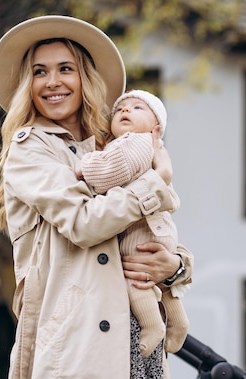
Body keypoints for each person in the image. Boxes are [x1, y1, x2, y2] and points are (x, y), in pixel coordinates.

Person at [0, 15, 192, 379]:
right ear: (27, 85)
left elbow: (152, 228)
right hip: (77, 352)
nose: (53, 82)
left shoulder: (110, 146)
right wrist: (158, 181)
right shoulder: (31, 150)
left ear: (85, 78)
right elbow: (84, 224)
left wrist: (174, 266)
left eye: (66, 69)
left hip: (134, 342)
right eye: (39, 72)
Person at [75, 89, 190, 358]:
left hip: (139, 231)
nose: (126, 111)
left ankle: (152, 326)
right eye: (120, 109)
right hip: (158, 230)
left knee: (133, 279)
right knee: (159, 282)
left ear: (156, 128)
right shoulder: (148, 149)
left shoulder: (135, 143)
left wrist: (85, 166)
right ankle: (179, 322)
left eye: (138, 108)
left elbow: (110, 172)